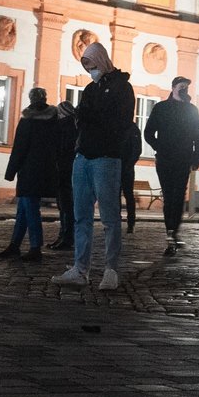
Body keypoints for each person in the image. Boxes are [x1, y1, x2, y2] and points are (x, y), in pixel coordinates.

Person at [55, 41, 135, 291]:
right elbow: (82, 117)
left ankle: (111, 270)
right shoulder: (90, 89)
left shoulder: (122, 87)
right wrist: (77, 118)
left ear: (101, 60)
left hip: (106, 158)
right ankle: (80, 269)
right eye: (85, 66)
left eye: (90, 64)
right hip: (83, 157)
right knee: (81, 217)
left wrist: (89, 118)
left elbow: (120, 122)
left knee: (110, 218)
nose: (89, 70)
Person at [0, 87, 58, 260]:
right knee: (24, 209)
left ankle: (35, 247)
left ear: (31, 99)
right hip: (45, 170)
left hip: (29, 170)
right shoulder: (54, 120)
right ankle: (15, 244)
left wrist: (11, 172)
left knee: (29, 209)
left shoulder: (28, 119)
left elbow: (19, 148)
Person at [144, 77, 199, 250]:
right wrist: (159, 147)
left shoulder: (192, 110)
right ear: (173, 88)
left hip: (183, 159)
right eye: (181, 87)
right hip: (165, 159)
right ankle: (170, 230)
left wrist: (196, 158)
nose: (184, 90)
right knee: (169, 195)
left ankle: (173, 231)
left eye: (186, 87)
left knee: (178, 196)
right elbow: (148, 133)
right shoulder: (161, 108)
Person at [48, 100, 79, 250]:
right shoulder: (74, 125)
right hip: (68, 169)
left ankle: (66, 237)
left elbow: (60, 149)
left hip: (63, 169)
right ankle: (64, 236)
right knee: (66, 205)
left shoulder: (64, 126)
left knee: (65, 206)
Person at [119, 115, 142, 235]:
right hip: (119, 165)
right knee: (119, 195)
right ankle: (118, 221)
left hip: (126, 166)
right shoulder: (129, 127)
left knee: (128, 195)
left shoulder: (132, 128)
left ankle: (131, 222)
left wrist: (129, 164)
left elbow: (137, 149)